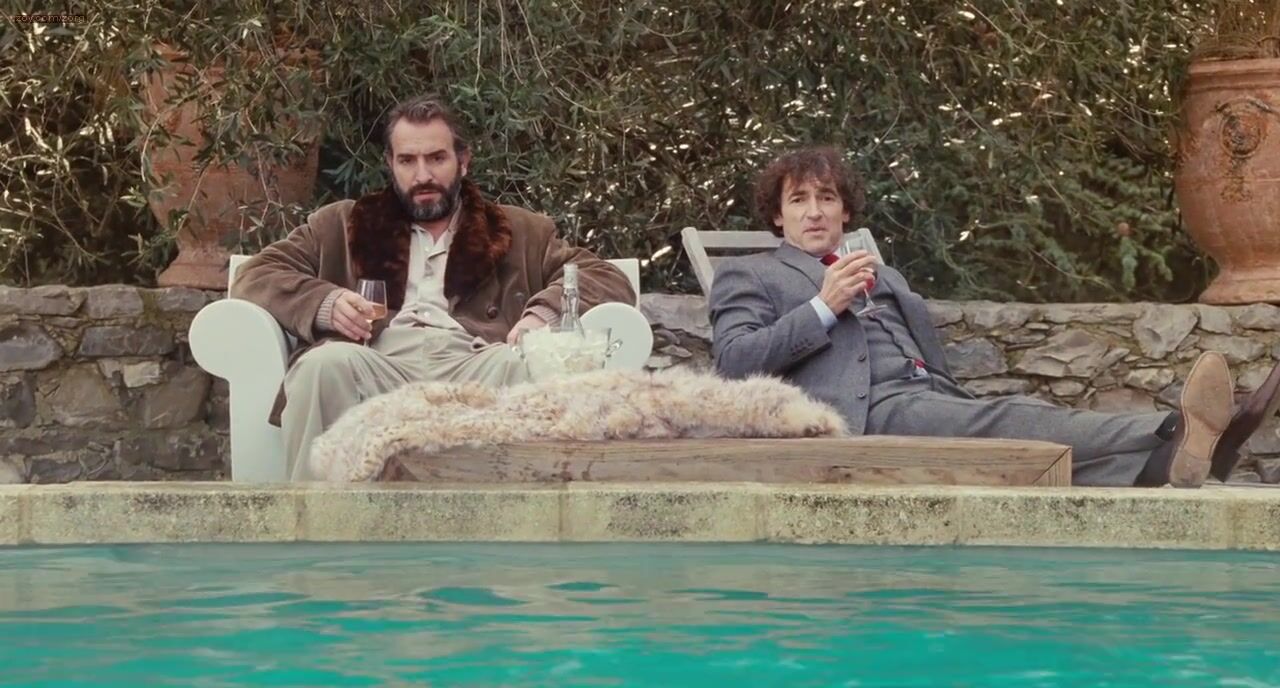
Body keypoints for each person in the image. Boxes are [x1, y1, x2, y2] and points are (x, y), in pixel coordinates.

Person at [708, 146, 1280, 487]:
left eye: (827, 198)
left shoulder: (884, 274)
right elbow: (733, 363)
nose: (814, 212)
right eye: (799, 200)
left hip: (929, 398)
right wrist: (822, 306)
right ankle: (1179, 428)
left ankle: (1170, 463)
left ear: (845, 211)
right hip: (864, 411)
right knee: (1007, 418)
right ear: (778, 217)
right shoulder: (751, 274)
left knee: (1023, 434)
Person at [232, 95, 635, 480]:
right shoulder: (342, 224)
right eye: (407, 160)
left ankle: (522, 524)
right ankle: (316, 520)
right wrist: (325, 302)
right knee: (322, 367)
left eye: (436, 158)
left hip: (477, 362)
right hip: (376, 359)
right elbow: (255, 274)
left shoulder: (519, 230)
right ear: (390, 164)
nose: (422, 175)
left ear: (463, 161)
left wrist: (541, 315)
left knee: (524, 365)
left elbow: (602, 276)